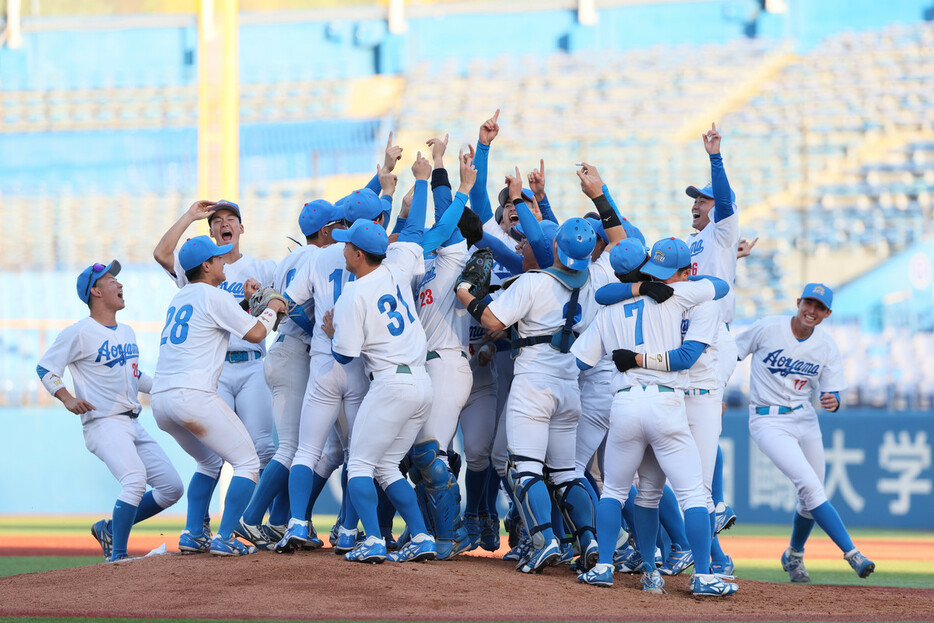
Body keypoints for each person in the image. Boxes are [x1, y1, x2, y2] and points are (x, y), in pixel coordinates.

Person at [572, 237, 737, 597]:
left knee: (617, 491)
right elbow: (720, 287)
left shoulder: (610, 307)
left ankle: (621, 569)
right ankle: (705, 575)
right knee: (693, 493)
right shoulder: (676, 294)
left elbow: (581, 361)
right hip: (665, 403)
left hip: (625, 403)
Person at [324, 151, 438, 564]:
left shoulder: (354, 293)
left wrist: (333, 332)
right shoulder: (395, 266)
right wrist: (422, 181)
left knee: (360, 464)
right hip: (421, 383)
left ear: (357, 254)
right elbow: (413, 230)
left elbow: (345, 357)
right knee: (388, 466)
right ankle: (422, 536)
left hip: (390, 383)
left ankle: (372, 539)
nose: (343, 251)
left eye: (347, 247)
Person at [37, 260, 183, 562]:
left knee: (171, 487)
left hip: (132, 423)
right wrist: (65, 397)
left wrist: (167, 387)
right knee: (134, 480)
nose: (119, 284)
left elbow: (135, 376)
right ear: (96, 291)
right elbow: (46, 367)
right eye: (111, 280)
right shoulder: (80, 332)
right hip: (103, 423)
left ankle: (109, 529)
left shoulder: (127, 331)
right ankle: (117, 554)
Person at [150, 235, 287, 556]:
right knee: (248, 462)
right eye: (218, 259)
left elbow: (221, 317)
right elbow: (255, 333)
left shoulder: (182, 297)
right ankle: (224, 537)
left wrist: (249, 303)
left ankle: (193, 532)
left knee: (209, 461)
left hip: (161, 401)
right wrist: (271, 309)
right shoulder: (212, 296)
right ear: (206, 265)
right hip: (193, 396)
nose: (225, 262)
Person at [735, 283, 875, 582]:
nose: (812, 311)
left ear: (827, 313)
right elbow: (731, 353)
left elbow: (833, 391)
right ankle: (853, 554)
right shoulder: (768, 328)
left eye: (819, 307)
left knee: (810, 496)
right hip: (766, 419)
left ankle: (794, 555)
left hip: (804, 417)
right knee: (811, 488)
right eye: (808, 303)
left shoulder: (826, 346)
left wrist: (834, 400)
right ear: (798, 302)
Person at [235, 199, 343, 550]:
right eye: (338, 224)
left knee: (303, 447)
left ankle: (279, 521)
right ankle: (252, 518)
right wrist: (318, 331)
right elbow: (291, 307)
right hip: (295, 352)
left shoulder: (291, 258)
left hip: (284, 352)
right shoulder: (316, 257)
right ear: (326, 230)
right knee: (293, 448)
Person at [152, 199, 278, 496]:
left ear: (241, 227)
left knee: (262, 449)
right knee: (216, 458)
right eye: (217, 220)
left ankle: (265, 521)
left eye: (231, 218)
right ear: (211, 233)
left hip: (251, 365)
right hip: (215, 371)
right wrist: (189, 216)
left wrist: (254, 304)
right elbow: (161, 254)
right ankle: (215, 526)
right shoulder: (200, 270)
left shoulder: (261, 267)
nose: (224, 223)